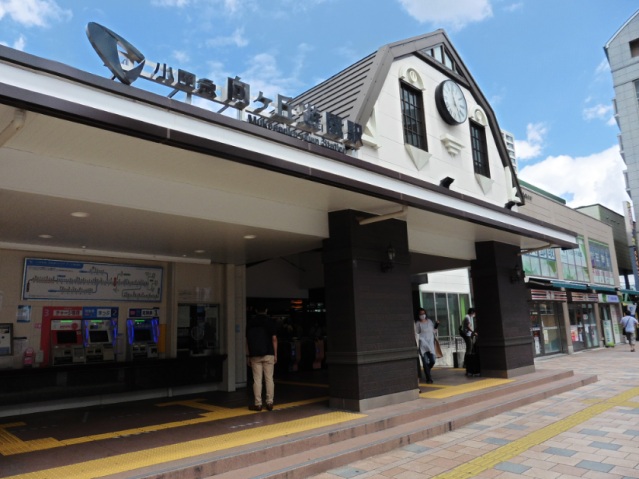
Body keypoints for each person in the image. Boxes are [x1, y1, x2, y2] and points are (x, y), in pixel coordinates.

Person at [246, 305, 278, 411]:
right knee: (269, 379)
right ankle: (269, 403)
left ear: (256, 310)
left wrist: (248, 355)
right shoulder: (270, 322)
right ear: (266, 310)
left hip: (255, 355)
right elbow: (274, 339)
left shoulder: (251, 322)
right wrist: (275, 354)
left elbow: (247, 341)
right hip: (269, 354)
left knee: (257, 380)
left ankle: (258, 404)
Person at [414, 308, 439, 384]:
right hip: (423, 345)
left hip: (430, 345)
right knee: (425, 362)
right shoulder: (417, 323)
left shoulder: (430, 321)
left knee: (432, 361)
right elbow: (416, 334)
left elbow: (433, 331)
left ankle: (427, 369)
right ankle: (429, 378)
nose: (422, 315)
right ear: (418, 315)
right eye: (421, 314)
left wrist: (436, 325)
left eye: (423, 313)